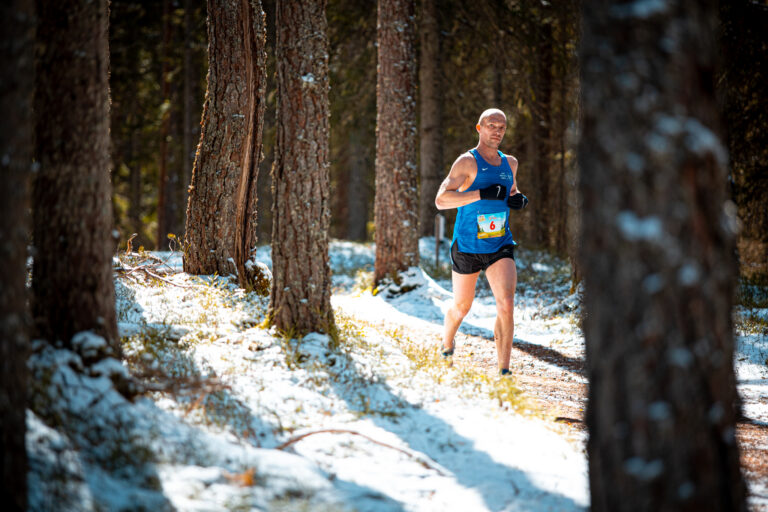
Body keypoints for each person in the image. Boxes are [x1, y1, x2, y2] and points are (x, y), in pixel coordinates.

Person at [434, 108, 528, 376]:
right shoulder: (467, 162)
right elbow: (441, 200)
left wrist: (518, 198)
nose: (496, 131)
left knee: (506, 303)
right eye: (491, 125)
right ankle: (447, 342)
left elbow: (512, 190)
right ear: (479, 128)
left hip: (500, 244)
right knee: (462, 306)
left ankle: (504, 372)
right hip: (467, 246)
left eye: (501, 127)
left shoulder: (510, 163)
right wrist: (480, 193)